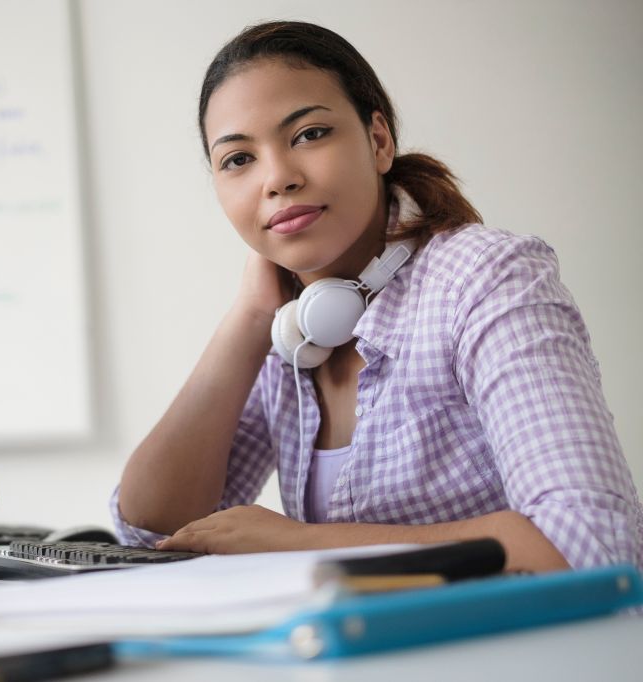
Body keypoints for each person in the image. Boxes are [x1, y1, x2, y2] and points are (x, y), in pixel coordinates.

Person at [110, 21, 643, 574]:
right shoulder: (290, 332)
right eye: (238, 159)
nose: (278, 178)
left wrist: (299, 542)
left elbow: (593, 542)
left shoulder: (485, 278)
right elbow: (150, 529)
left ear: (379, 140)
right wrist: (245, 321)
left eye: (310, 134)